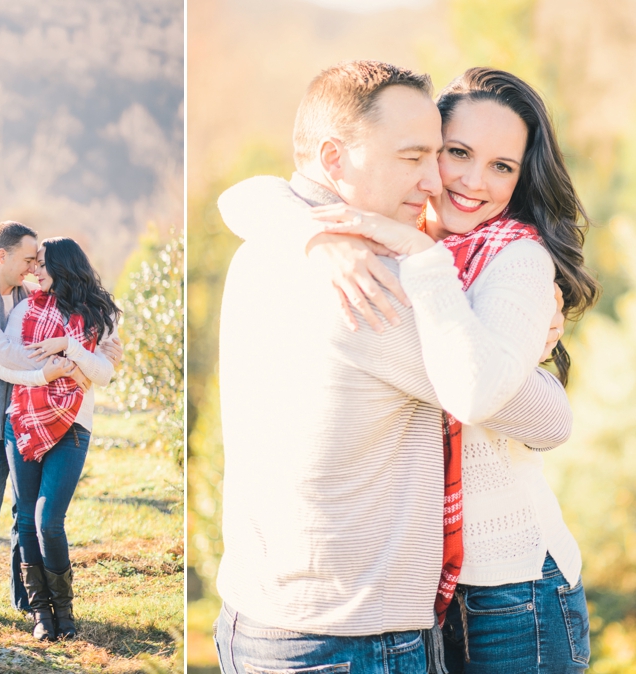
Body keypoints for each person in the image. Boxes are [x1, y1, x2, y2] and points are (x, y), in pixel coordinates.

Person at [221, 67, 599, 672]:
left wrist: (421, 263)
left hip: (511, 585)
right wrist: (315, 236)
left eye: (503, 166)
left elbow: (549, 419)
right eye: (453, 153)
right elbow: (246, 195)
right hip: (409, 599)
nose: (470, 181)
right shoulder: (376, 261)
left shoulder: (504, 257)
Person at [0, 222, 121, 625]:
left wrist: (97, 352)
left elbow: (90, 327)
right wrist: (61, 368)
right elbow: (7, 354)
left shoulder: (32, 295)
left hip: (31, 417)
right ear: (1, 255)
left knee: (24, 517)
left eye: (38, 261)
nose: (32, 268)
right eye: (28, 259)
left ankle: (28, 603)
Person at [0, 236, 121, 641]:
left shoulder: (96, 315)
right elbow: (5, 369)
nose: (36, 270)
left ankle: (64, 613)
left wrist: (69, 345)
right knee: (27, 520)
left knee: (49, 519)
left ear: (65, 267)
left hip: (73, 427)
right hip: (25, 424)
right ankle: (41, 616)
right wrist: (48, 374)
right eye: (35, 264)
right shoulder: (24, 312)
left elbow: (104, 373)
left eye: (44, 263)